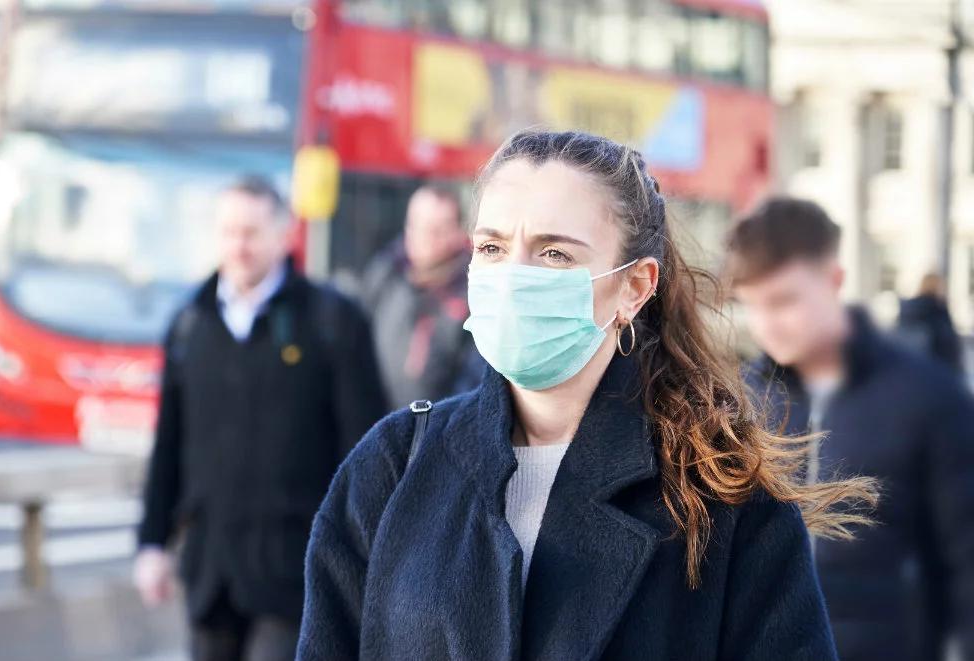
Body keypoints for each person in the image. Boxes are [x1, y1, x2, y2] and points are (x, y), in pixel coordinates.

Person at [297, 131, 874, 661]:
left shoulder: (720, 499)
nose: (514, 276)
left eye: (555, 254)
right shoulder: (395, 464)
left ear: (634, 286)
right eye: (493, 248)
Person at [134, 175, 387, 661]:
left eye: (251, 232)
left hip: (297, 569)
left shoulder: (332, 321)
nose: (239, 246)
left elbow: (365, 449)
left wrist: (361, 554)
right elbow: (168, 442)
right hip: (211, 570)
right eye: (228, 232)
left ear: (282, 234)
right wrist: (152, 542)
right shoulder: (191, 323)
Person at [728, 197, 974, 661]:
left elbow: (965, 559)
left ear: (833, 281)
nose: (766, 324)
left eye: (783, 301)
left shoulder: (926, 396)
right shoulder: (741, 402)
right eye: (752, 306)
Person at [361, 184, 483, 408]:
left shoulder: (473, 292)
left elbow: (473, 381)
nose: (423, 238)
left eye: (436, 230)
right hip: (380, 425)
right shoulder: (386, 275)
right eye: (416, 226)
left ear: (457, 233)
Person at [897, 272, 963, 373]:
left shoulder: (909, 311)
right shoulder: (937, 312)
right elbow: (948, 347)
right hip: (937, 372)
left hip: (912, 372)